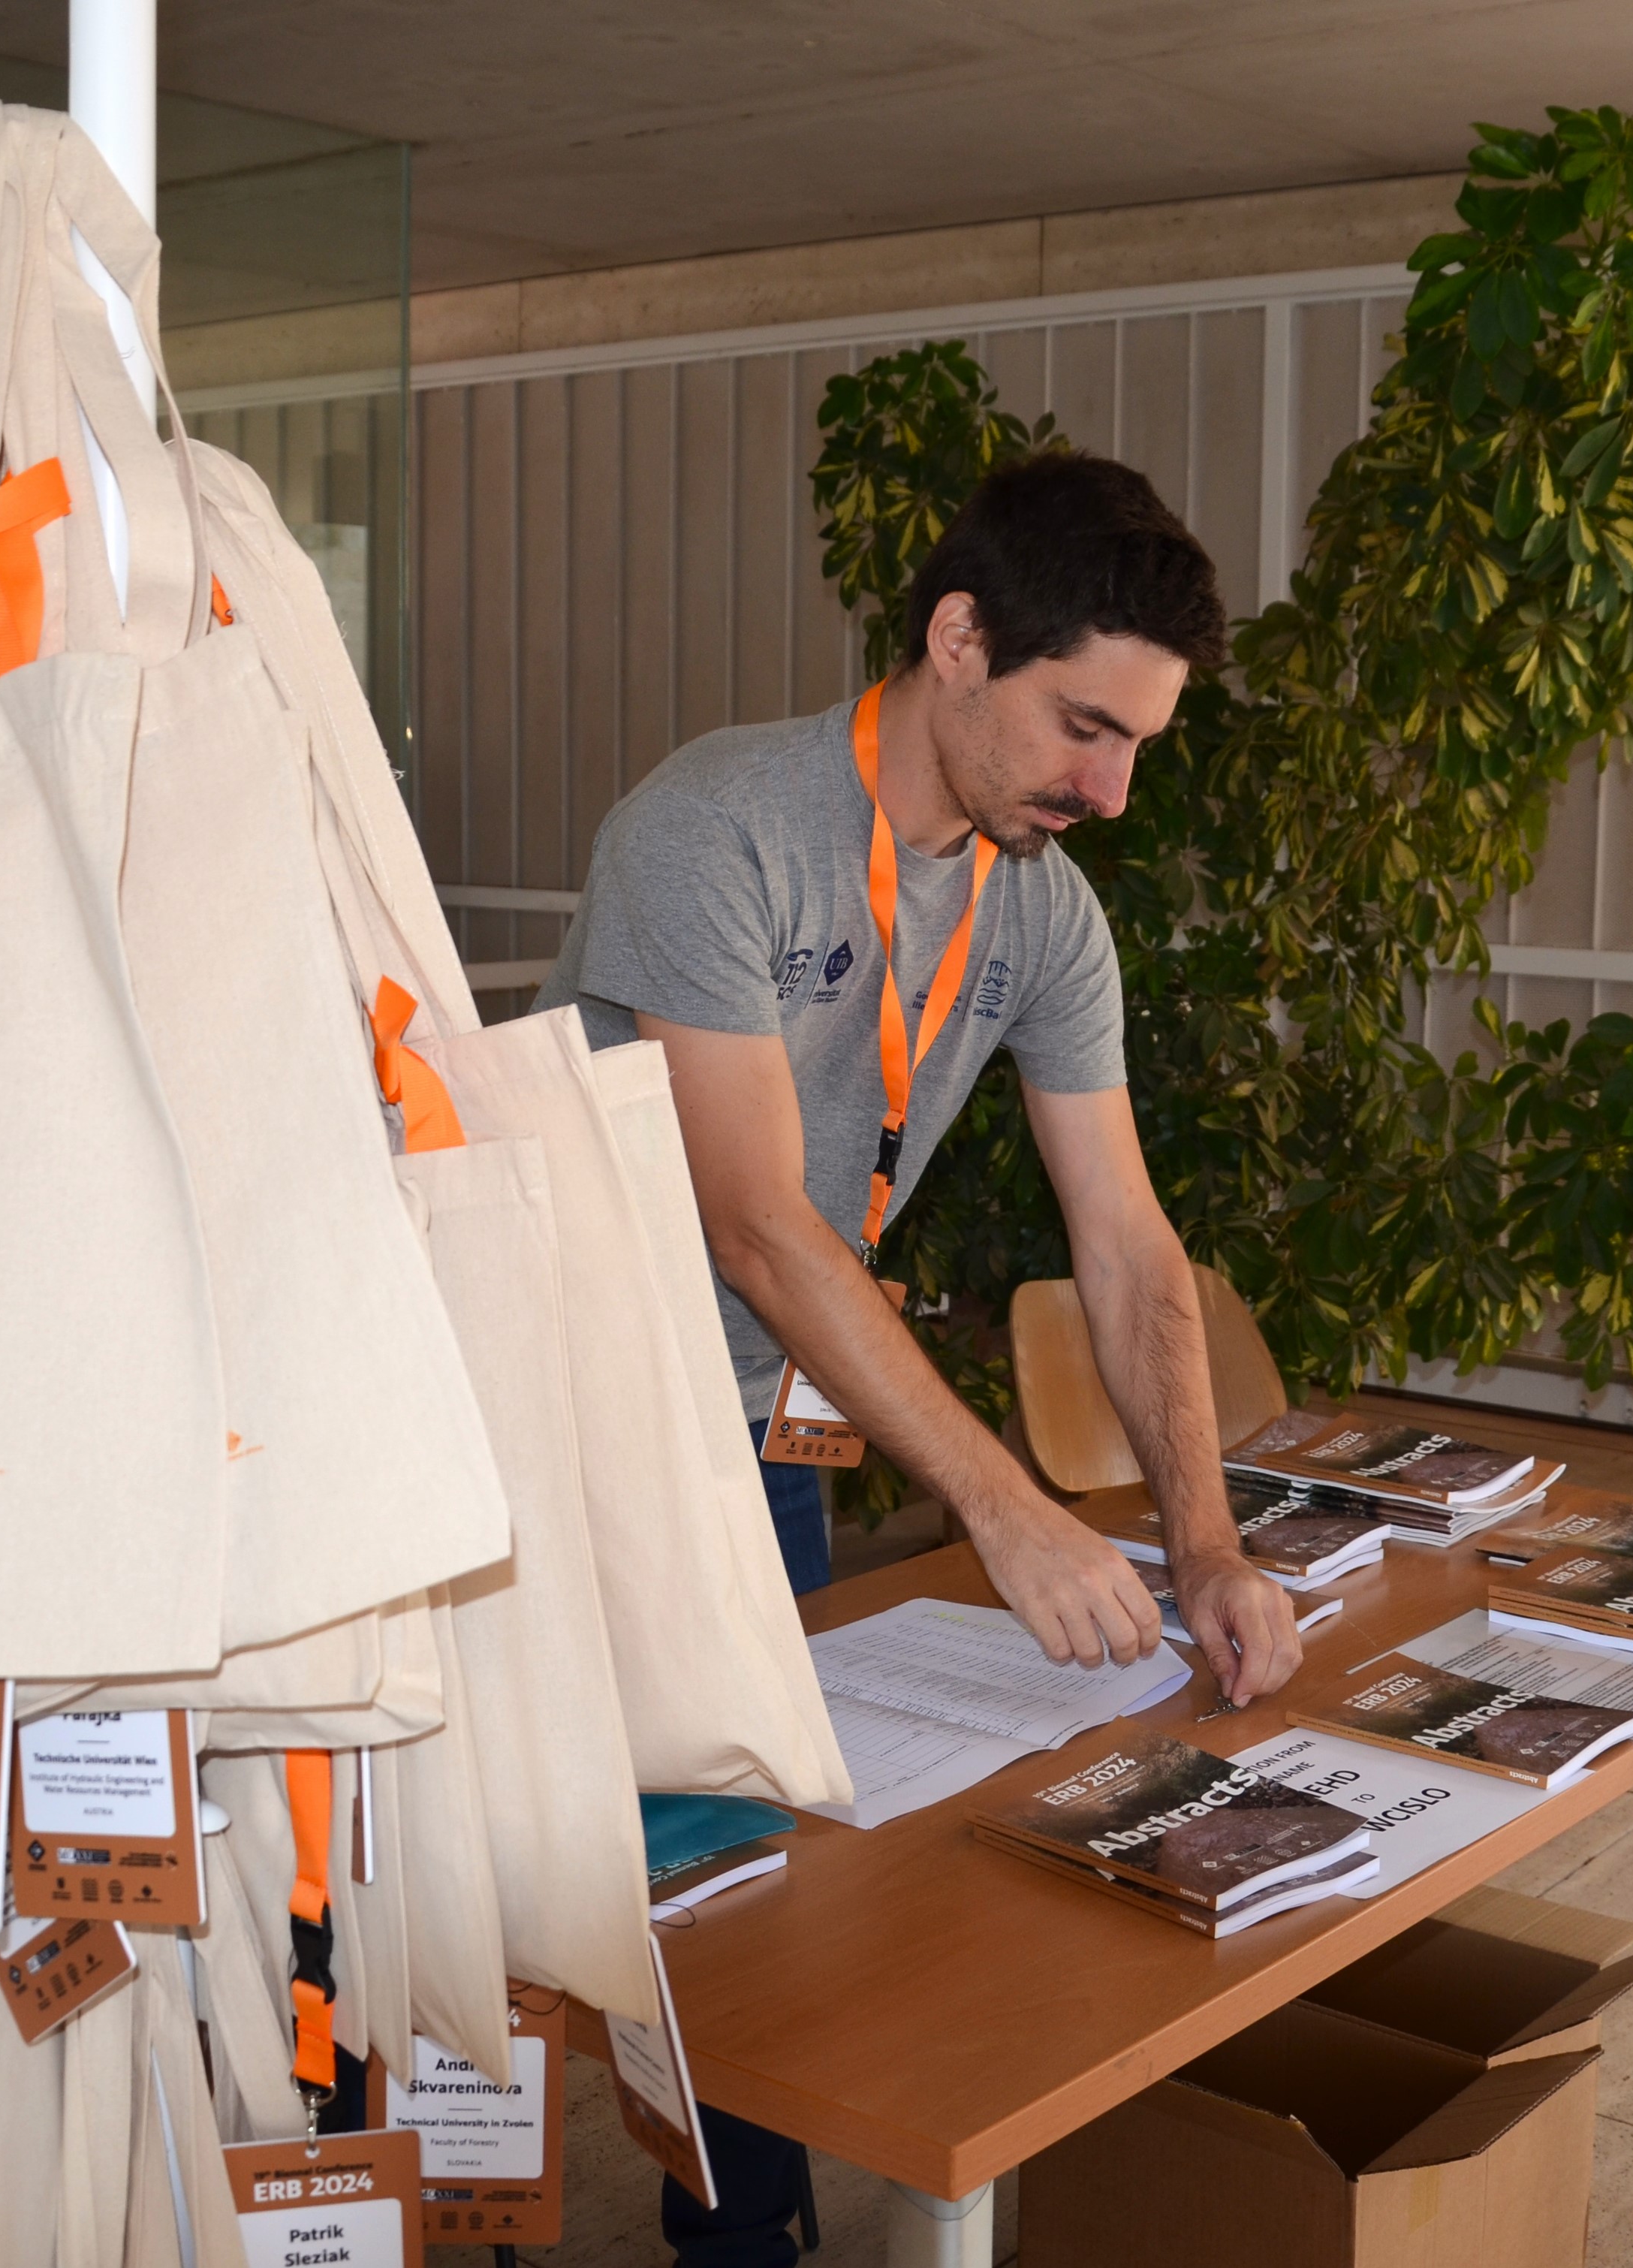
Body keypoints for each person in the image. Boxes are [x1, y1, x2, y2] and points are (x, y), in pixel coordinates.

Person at [535, 448, 1307, 2266]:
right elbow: (754, 1223)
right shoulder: (711, 825)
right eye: (1082, 727)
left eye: (1135, 748)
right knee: (478, 1890)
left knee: (756, 1873)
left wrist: (1196, 1538)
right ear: (957, 638)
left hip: (772, 1425)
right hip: (573, 1419)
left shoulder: (1041, 911)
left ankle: (744, 2245)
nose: (1108, 791)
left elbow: (1126, 1249)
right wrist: (1009, 1505)